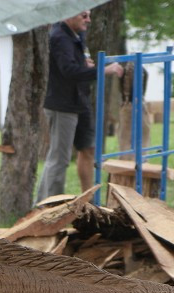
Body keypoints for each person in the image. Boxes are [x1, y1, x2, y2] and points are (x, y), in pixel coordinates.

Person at [35, 10, 123, 204]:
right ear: (69, 13)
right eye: (84, 16)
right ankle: (49, 205)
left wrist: (87, 65)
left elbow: (78, 65)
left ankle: (89, 201)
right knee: (60, 159)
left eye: (89, 15)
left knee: (88, 149)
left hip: (80, 101)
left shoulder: (77, 35)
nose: (88, 20)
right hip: (62, 105)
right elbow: (69, 71)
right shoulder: (59, 37)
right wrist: (101, 70)